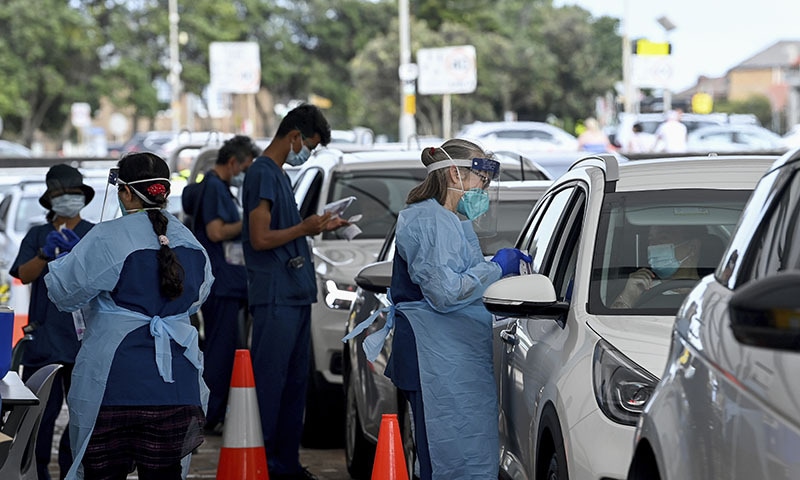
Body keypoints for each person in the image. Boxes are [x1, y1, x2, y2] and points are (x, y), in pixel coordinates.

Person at [347, 139, 531, 479]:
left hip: (452, 358)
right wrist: (497, 267)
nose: (483, 191)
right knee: (443, 456)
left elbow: (462, 279)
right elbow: (445, 291)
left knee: (462, 452)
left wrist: (503, 272)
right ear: (453, 174)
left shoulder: (450, 221)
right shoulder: (425, 221)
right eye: (480, 181)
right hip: (433, 358)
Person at [43, 152, 213, 480]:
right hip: (176, 388)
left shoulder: (108, 238)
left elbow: (62, 292)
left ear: (124, 192)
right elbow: (195, 301)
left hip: (112, 388)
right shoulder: (192, 245)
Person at [241, 104, 347, 480]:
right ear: (294, 137)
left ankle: (285, 463)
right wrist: (304, 229)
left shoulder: (279, 176)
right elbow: (260, 237)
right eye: (310, 146)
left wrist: (316, 226)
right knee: (271, 385)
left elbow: (284, 232)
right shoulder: (262, 173)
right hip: (275, 298)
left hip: (295, 295)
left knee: (293, 387)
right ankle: (265, 465)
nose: (309, 154)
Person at [10, 163, 96, 480]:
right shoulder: (37, 235)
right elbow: (23, 274)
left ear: (83, 197)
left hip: (86, 340)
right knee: (40, 417)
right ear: (50, 199)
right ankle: (37, 470)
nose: (68, 199)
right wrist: (46, 255)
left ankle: (74, 471)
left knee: (83, 416)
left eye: (73, 193)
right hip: (45, 340)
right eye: (61, 194)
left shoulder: (94, 234)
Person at [183, 135, 257, 435]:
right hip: (221, 283)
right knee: (219, 352)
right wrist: (252, 222)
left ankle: (215, 413)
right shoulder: (214, 188)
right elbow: (216, 232)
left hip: (228, 282)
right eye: (246, 167)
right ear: (232, 163)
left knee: (225, 349)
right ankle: (208, 416)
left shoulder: (221, 188)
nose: (246, 174)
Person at [612, 225, 704, 309]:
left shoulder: (713, 291)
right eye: (650, 240)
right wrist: (629, 296)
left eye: (663, 238)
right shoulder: (642, 288)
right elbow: (612, 323)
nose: (653, 246)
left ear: (693, 247)